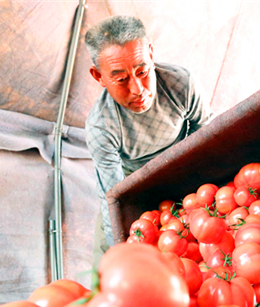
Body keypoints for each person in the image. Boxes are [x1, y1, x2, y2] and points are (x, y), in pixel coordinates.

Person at [84, 15, 214, 267]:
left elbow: (207, 134)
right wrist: (124, 255)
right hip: (133, 181)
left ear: (151, 54)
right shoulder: (102, 126)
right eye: (121, 79)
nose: (138, 89)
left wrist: (203, 183)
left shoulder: (180, 83)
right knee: (108, 258)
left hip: (184, 161)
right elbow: (114, 196)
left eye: (142, 72)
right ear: (98, 76)